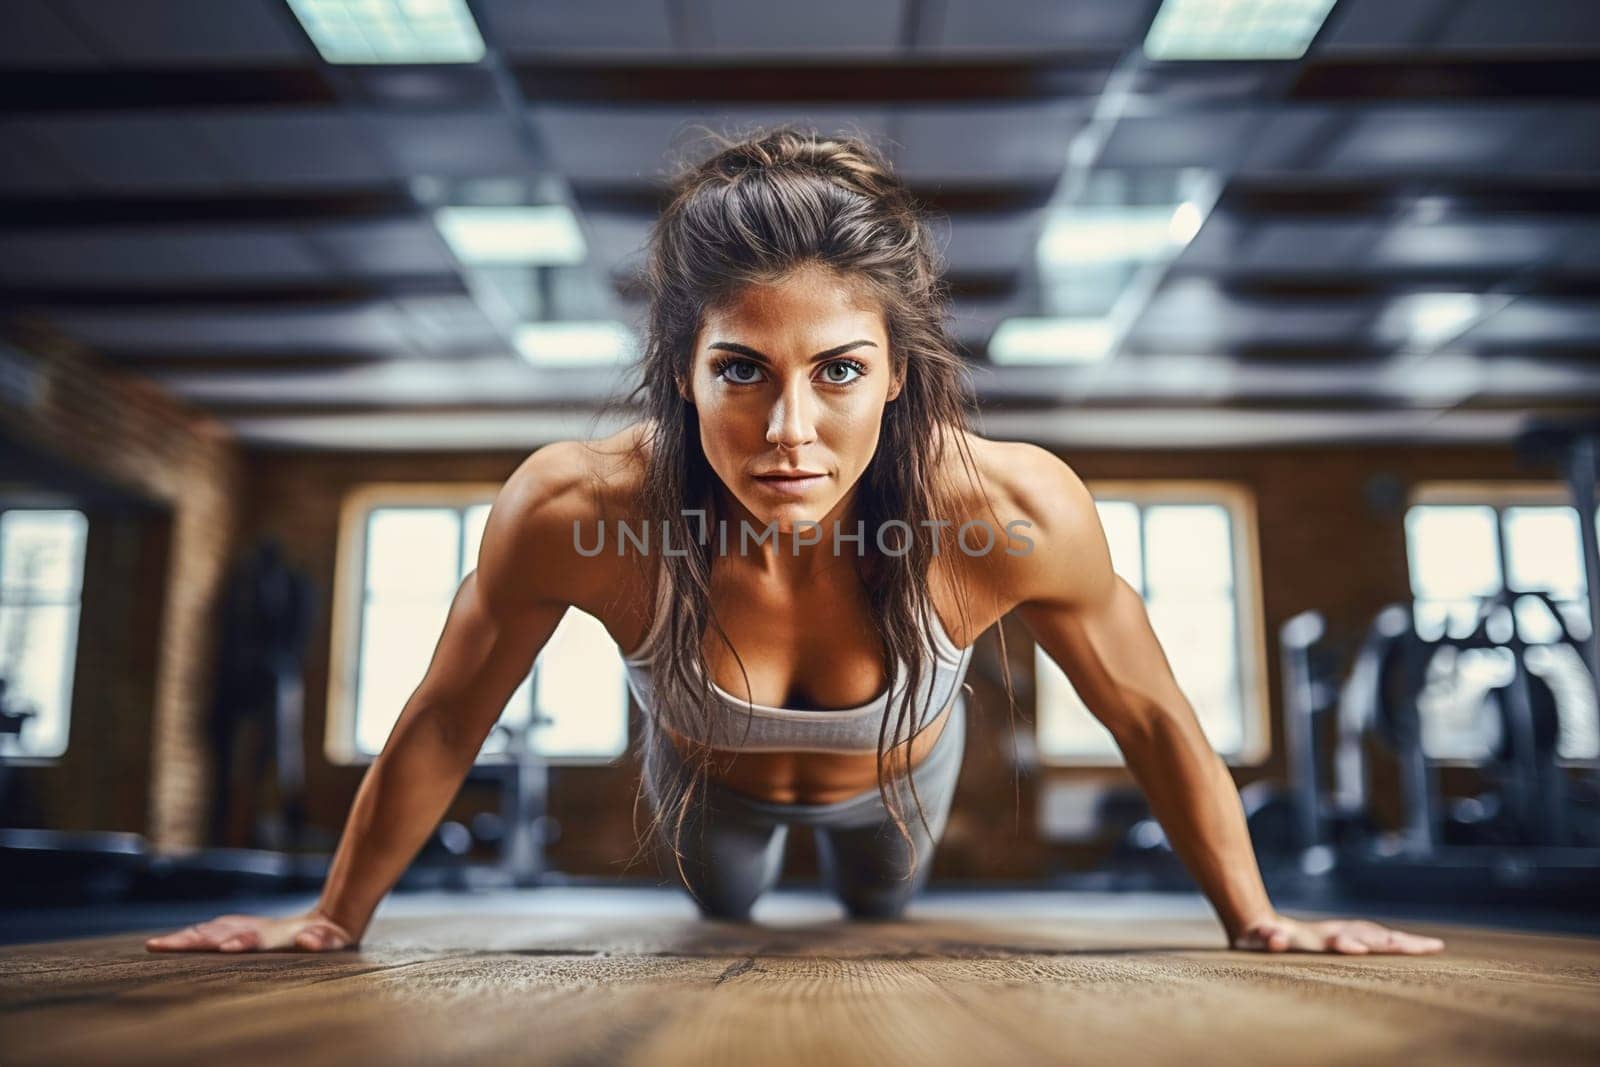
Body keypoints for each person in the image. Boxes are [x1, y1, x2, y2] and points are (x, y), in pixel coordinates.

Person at [148, 126, 1443, 957]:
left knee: (881, 909)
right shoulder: (578, 513)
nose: (789, 431)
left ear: (895, 375)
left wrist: (1260, 921)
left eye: (836, 370)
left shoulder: (1009, 514)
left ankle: (871, 877)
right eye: (740, 371)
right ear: (680, 371)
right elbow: (442, 717)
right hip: (706, 792)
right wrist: (332, 919)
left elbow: (1156, 719)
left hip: (900, 790)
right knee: (723, 913)